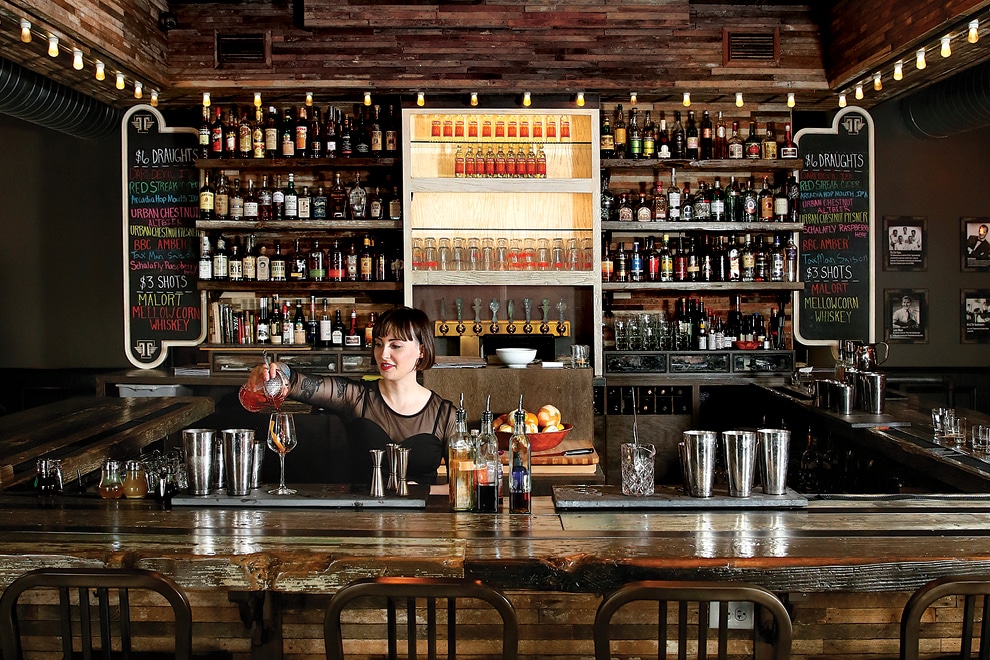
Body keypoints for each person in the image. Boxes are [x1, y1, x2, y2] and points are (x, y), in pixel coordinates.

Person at [254, 306, 456, 486]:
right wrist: (274, 372)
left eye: (395, 345)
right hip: (363, 519)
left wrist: (421, 492)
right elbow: (298, 382)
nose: (383, 354)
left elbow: (462, 485)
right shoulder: (356, 397)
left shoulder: (445, 414)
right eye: (378, 344)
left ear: (421, 350)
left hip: (421, 524)